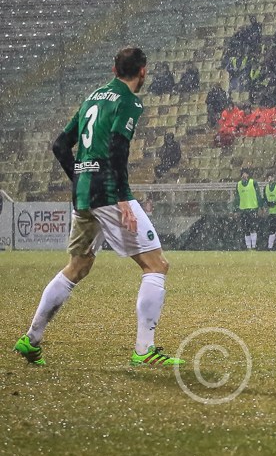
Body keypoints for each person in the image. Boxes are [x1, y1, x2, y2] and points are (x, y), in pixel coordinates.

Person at [13, 47, 184, 367]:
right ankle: (144, 350)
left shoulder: (92, 97)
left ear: (113, 69)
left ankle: (31, 338)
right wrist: (122, 198)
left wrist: (81, 178)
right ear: (143, 72)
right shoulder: (129, 101)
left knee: (77, 267)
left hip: (84, 193)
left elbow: (60, 145)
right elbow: (117, 148)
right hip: (108, 192)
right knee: (156, 265)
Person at [233, 168, 262, 250]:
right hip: (243, 209)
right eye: (242, 174)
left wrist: (260, 206)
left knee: (253, 228)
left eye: (245, 173)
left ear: (248, 175)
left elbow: (258, 195)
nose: (243, 175)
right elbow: (237, 198)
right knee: (245, 229)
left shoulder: (253, 183)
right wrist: (236, 209)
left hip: (252, 208)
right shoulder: (238, 184)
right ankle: (248, 246)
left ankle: (254, 246)